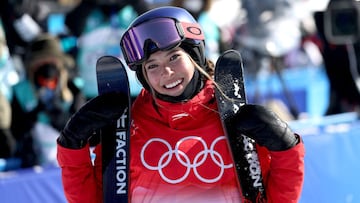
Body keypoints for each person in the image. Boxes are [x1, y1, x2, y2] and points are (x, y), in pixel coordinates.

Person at [57, 6, 305, 203]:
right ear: (143, 77)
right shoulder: (126, 131)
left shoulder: (235, 120)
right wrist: (72, 147)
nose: (165, 72)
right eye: (151, 66)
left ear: (195, 56)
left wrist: (286, 151)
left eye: (174, 57)